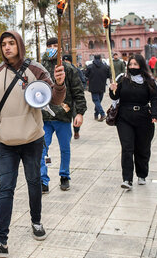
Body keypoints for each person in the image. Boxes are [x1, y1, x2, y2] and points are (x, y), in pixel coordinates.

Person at [0, 31, 65, 257]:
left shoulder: (36, 70)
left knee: (33, 182)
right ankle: (1, 241)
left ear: (18, 44)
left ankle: (36, 222)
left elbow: (55, 100)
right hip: (6, 142)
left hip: (32, 140)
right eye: (3, 44)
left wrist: (59, 84)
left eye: (11, 43)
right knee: (5, 189)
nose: (7, 47)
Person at [40, 42, 87, 193]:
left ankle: (64, 176)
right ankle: (42, 179)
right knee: (42, 149)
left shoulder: (68, 69)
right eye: (50, 46)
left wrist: (79, 112)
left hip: (63, 116)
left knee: (65, 149)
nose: (52, 48)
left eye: (55, 45)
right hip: (44, 117)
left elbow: (78, 91)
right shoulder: (40, 68)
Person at [109, 54, 157, 190]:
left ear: (141, 66)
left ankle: (142, 174)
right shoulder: (123, 80)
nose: (132, 67)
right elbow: (115, 96)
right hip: (124, 118)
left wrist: (155, 114)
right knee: (127, 148)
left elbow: (155, 99)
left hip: (144, 118)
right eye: (130, 64)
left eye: (135, 64)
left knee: (142, 148)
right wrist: (112, 89)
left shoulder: (149, 81)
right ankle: (127, 179)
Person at [63, 54, 86, 139]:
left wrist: (80, 91)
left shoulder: (75, 70)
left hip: (74, 99)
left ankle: (76, 131)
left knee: (75, 114)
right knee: (65, 116)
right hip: (65, 100)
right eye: (64, 61)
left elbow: (82, 82)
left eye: (67, 61)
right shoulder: (60, 70)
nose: (66, 63)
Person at [85, 54, 110, 121]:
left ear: (94, 58)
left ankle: (102, 114)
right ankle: (96, 115)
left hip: (93, 86)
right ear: (101, 58)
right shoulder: (105, 67)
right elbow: (108, 75)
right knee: (98, 101)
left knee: (96, 101)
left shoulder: (90, 66)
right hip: (102, 86)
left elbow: (86, 74)